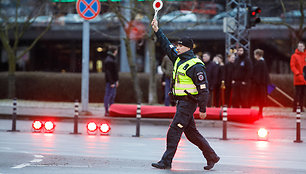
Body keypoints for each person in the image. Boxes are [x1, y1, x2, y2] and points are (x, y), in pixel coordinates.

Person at [151, 18, 220, 171]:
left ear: (188, 48)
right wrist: (157, 30)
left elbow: (204, 88)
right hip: (181, 102)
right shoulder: (179, 59)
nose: (177, 47)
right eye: (177, 45)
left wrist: (203, 109)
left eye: (180, 45)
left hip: (189, 102)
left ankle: (166, 161)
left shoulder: (195, 65)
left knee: (174, 129)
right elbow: (166, 45)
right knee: (191, 134)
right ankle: (212, 157)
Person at [251, 49, 270, 117]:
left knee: (260, 99)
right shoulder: (263, 62)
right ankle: (260, 112)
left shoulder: (260, 63)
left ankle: (260, 113)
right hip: (262, 84)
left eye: (255, 54)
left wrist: (255, 81)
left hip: (260, 85)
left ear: (257, 55)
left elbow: (258, 74)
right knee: (261, 99)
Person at [290, 41, 306, 112]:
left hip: (305, 78)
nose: (300, 47)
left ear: (304, 47)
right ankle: (295, 108)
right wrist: (297, 73)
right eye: (299, 46)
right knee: (297, 94)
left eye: (301, 46)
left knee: (303, 94)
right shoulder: (294, 56)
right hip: (298, 78)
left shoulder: (305, 56)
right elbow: (292, 66)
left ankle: (301, 108)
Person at [104, 45, 119, 116]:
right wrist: (112, 82)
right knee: (109, 96)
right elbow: (109, 73)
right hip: (111, 82)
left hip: (112, 81)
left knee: (111, 96)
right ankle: (108, 110)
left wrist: (116, 81)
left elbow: (113, 72)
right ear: (114, 51)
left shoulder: (110, 59)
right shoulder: (110, 60)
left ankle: (110, 110)